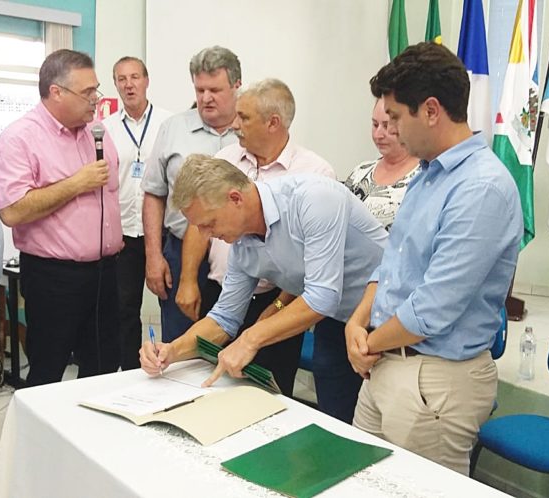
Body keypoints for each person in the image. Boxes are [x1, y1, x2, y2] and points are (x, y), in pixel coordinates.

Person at [345, 42, 522, 475]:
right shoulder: (427, 175)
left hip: (434, 378)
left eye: (395, 117)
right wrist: (356, 322)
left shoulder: (480, 187)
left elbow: (433, 308)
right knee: (358, 481)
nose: (391, 130)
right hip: (387, 361)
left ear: (430, 110)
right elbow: (391, 265)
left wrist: (368, 341)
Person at [140, 155, 387, 423]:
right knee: (336, 421)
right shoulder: (242, 243)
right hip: (340, 321)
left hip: (391, 316)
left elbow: (322, 297)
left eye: (209, 223)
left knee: (391, 425)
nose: (205, 235)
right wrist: (171, 351)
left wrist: (250, 339)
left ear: (235, 198)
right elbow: (223, 319)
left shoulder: (314, 198)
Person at [192, 78, 335, 395]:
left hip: (281, 302)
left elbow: (314, 272)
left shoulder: (314, 174)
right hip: (224, 289)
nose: (235, 125)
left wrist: (280, 306)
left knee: (267, 394)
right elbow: (199, 224)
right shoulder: (225, 160)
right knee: (213, 387)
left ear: (273, 122)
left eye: (244, 117)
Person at [0, 49, 122, 386]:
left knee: (104, 367)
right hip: (54, 278)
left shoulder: (97, 131)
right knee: (48, 370)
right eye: (87, 92)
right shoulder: (19, 138)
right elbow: (13, 210)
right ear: (56, 92)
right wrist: (76, 184)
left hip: (106, 272)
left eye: (96, 89)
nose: (96, 99)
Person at [141, 46, 241, 342]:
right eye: (200, 90)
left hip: (238, 256)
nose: (205, 98)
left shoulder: (250, 129)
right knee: (180, 345)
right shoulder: (173, 129)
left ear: (236, 85)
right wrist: (153, 256)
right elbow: (154, 195)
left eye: (215, 90)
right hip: (179, 252)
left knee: (233, 345)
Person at [102, 56, 173, 370]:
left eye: (134, 77)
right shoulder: (105, 129)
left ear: (146, 80)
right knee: (124, 309)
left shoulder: (169, 124)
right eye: (122, 79)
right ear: (116, 84)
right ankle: (130, 372)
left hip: (163, 232)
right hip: (124, 234)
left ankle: (173, 363)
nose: (129, 85)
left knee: (171, 305)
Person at [344, 98, 420, 230]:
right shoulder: (360, 172)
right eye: (375, 125)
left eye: (387, 126)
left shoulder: (423, 177)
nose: (378, 135)